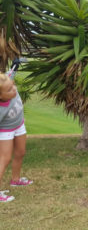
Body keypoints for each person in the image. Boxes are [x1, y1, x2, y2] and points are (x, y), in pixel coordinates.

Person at [0, 60, 33, 203]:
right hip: (6, 130)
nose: (14, 89)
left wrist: (16, 64)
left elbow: (10, 74)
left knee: (20, 152)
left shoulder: (6, 82)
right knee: (5, 159)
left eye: (13, 86)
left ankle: (16, 179)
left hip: (19, 125)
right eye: (9, 90)